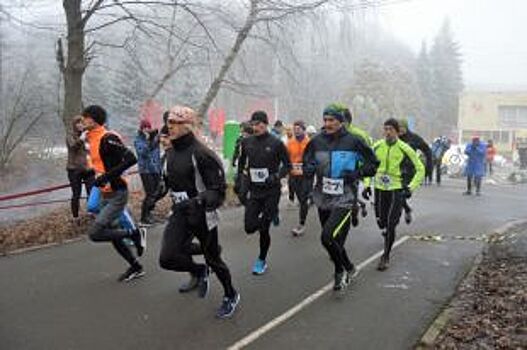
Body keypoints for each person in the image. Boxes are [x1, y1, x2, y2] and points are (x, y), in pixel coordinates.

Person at [158, 105, 239, 319]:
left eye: (177, 123)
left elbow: (218, 191)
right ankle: (199, 271)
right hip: (180, 213)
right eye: (169, 122)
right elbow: (170, 182)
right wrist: (158, 193)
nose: (171, 127)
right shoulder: (169, 153)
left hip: (203, 214)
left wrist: (199, 201)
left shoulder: (202, 154)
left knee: (214, 259)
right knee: (167, 258)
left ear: (189, 126)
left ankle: (231, 294)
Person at [303, 104, 378, 292]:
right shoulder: (316, 141)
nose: (327, 124)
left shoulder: (354, 141)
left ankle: (339, 271)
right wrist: (308, 169)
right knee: (332, 241)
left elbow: (373, 164)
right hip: (322, 197)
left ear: (341, 121)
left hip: (345, 197)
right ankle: (349, 267)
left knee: (327, 237)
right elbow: (307, 163)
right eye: (325, 120)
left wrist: (357, 173)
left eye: (332, 120)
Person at [82, 105, 146, 282]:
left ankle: (134, 233)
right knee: (111, 234)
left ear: (93, 120)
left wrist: (107, 177)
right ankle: (136, 267)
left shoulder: (107, 137)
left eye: (84, 118)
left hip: (118, 193)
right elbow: (101, 166)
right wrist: (89, 174)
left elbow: (131, 158)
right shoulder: (91, 138)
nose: (82, 121)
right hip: (105, 194)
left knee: (95, 233)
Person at [363, 118, 424, 271]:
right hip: (379, 189)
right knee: (381, 222)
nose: (387, 132)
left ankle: (385, 256)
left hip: (396, 190)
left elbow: (420, 169)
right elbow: (367, 166)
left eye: (391, 129)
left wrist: (410, 187)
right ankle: (388, 231)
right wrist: (366, 185)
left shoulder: (405, 148)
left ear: (397, 131)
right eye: (385, 129)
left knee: (390, 224)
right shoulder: (376, 146)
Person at [236, 111, 290, 275]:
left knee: (264, 229)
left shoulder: (276, 143)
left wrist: (276, 176)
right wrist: (240, 181)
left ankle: (261, 260)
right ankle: (270, 216)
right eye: (253, 124)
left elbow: (287, 166)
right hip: (255, 190)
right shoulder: (246, 142)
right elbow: (241, 163)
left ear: (266, 124)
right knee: (249, 228)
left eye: (259, 124)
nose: (255, 127)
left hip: (271, 191)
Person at [398, 118, 432, 224]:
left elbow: (427, 150)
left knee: (401, 193)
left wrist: (429, 165)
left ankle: (404, 212)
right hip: (395, 170)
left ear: (406, 127)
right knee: (394, 194)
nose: (400, 131)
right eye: (398, 128)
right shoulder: (393, 138)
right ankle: (404, 210)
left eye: (402, 128)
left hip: (408, 170)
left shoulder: (414, 138)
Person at [66, 115, 95, 224]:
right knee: (76, 194)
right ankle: (75, 217)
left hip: (88, 168)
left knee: (91, 191)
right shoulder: (70, 136)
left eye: (82, 123)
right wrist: (81, 139)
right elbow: (73, 147)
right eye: (78, 123)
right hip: (74, 169)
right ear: (74, 125)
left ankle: (91, 213)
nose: (80, 125)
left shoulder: (88, 135)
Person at [134, 119, 161, 226]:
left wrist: (156, 138)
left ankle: (149, 214)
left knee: (156, 192)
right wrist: (149, 139)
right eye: (145, 128)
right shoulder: (138, 140)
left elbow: (157, 154)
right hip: (145, 170)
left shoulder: (153, 139)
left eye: (148, 128)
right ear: (141, 129)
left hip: (155, 169)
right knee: (150, 193)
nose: (147, 130)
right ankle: (143, 218)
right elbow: (143, 153)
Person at [286, 120, 310, 236]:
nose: (296, 131)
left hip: (306, 176)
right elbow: (286, 158)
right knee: (300, 199)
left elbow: (314, 158)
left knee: (304, 199)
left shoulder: (310, 142)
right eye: (294, 129)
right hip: (294, 174)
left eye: (298, 129)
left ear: (303, 130)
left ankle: (301, 224)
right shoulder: (290, 143)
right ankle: (305, 206)